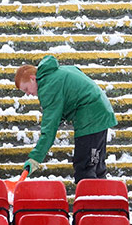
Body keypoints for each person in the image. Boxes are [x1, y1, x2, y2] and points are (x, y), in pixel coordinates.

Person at [14, 55, 118, 183]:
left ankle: (89, 200)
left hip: (90, 118)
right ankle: (102, 198)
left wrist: (35, 158)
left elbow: (49, 129)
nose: (28, 94)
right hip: (100, 113)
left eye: (26, 89)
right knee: (96, 165)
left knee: (85, 169)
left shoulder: (48, 87)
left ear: (32, 78)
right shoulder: (58, 72)